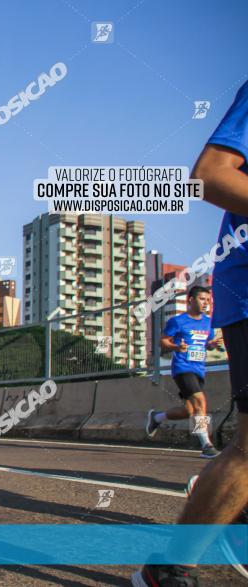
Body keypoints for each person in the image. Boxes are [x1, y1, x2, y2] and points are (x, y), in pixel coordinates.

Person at [132, 82, 248, 587]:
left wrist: (214, 343)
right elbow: (210, 175)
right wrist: (179, 345)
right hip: (190, 359)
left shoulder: (204, 322)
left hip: (203, 359)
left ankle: (230, 500)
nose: (199, 303)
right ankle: (171, 565)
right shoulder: (183, 319)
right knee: (214, 418)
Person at [145, 286, 223, 458]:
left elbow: (207, 343)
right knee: (200, 402)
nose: (206, 303)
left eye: (208, 300)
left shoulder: (208, 322)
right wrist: (176, 346)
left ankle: (156, 417)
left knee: (189, 411)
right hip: (182, 368)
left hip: (199, 369)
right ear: (191, 300)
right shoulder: (178, 321)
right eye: (202, 299)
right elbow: (163, 342)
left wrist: (211, 344)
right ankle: (206, 445)